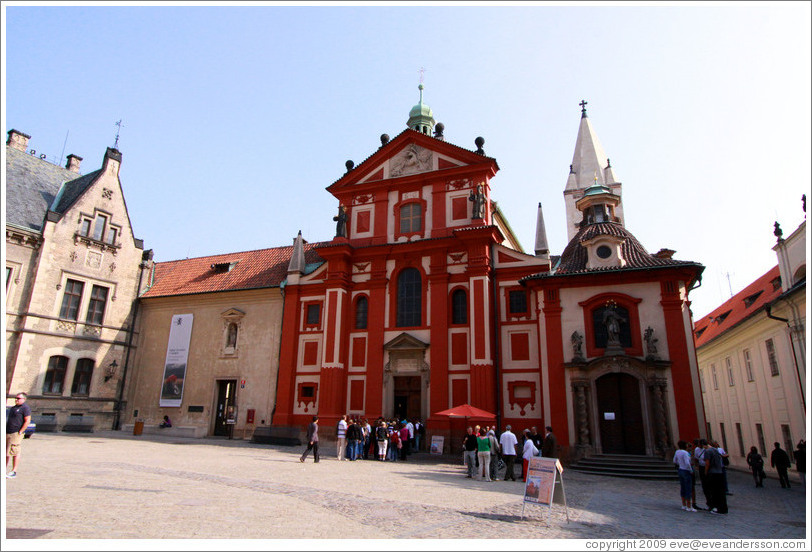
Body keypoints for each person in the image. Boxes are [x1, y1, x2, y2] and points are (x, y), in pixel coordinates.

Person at [6, 392, 32, 478]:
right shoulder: (13, 408)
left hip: (16, 433)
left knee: (15, 451)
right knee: (6, 452)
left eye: (18, 398)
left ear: (24, 399)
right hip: (8, 432)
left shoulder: (25, 408)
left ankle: (14, 471)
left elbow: (27, 420)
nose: (16, 400)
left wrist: (21, 431)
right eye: (16, 398)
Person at [702, 439, 727, 514]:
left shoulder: (708, 451)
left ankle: (716, 508)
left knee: (714, 491)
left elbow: (707, 464)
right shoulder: (716, 450)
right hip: (719, 472)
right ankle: (723, 508)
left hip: (712, 473)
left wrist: (705, 473)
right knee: (721, 492)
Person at [673, 440, 697, 511]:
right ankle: (689, 506)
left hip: (680, 470)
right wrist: (691, 470)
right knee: (688, 488)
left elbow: (674, 461)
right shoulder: (685, 453)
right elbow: (687, 463)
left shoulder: (677, 452)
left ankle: (683, 504)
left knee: (683, 487)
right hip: (686, 471)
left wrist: (679, 464)